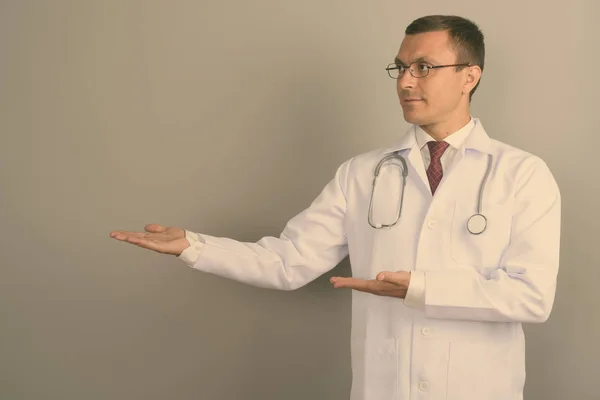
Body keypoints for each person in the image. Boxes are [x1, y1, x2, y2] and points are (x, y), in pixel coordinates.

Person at [110, 15, 561, 400]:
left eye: (424, 67)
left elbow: (532, 296)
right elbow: (287, 262)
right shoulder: (361, 174)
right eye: (401, 68)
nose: (405, 81)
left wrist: (420, 288)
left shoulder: (522, 174)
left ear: (470, 76)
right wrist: (195, 246)